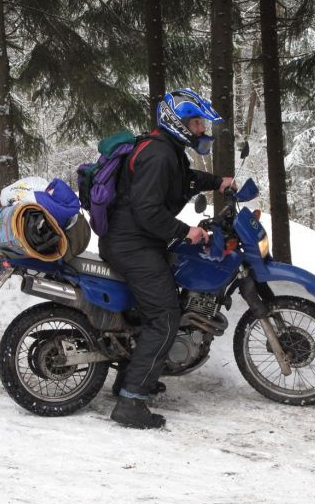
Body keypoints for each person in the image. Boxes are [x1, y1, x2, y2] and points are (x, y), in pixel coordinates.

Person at [98, 88, 236, 429]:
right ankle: (131, 402)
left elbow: (184, 180)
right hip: (132, 244)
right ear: (178, 123)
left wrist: (218, 182)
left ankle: (130, 377)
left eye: (202, 123)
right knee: (164, 317)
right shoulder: (159, 155)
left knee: (150, 310)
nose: (202, 130)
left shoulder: (168, 150)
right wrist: (185, 231)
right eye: (197, 123)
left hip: (139, 240)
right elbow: (147, 210)